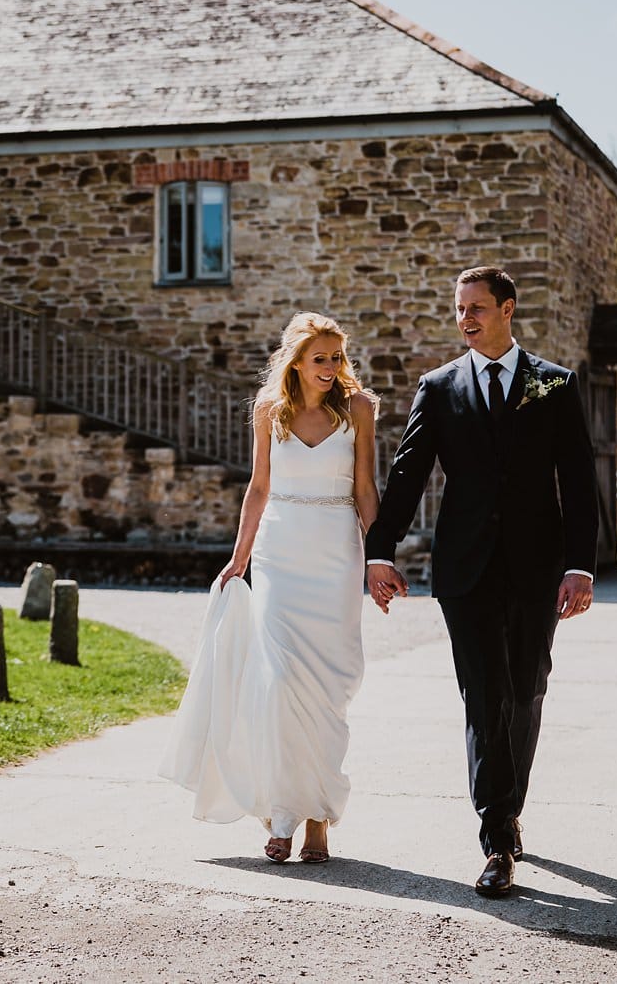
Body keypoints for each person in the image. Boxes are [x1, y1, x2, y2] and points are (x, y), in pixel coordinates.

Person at [364, 266, 599, 897]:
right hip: (464, 569)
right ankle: (496, 837)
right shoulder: (437, 388)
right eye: (460, 309)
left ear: (508, 310)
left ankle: (510, 804)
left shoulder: (554, 385)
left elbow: (578, 482)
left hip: (536, 567)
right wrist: (379, 550)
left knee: (525, 688)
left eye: (477, 308)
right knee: (482, 693)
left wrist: (581, 565)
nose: (466, 318)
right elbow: (409, 475)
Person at [160, 312, 379, 864]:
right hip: (280, 553)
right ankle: (282, 816)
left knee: (328, 690)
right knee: (279, 683)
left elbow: (365, 489)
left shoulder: (359, 409)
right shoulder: (268, 410)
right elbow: (258, 489)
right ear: (297, 362)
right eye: (320, 358)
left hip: (335, 552)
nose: (331, 368)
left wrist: (378, 559)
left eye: (337, 357)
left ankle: (318, 821)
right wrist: (239, 561)